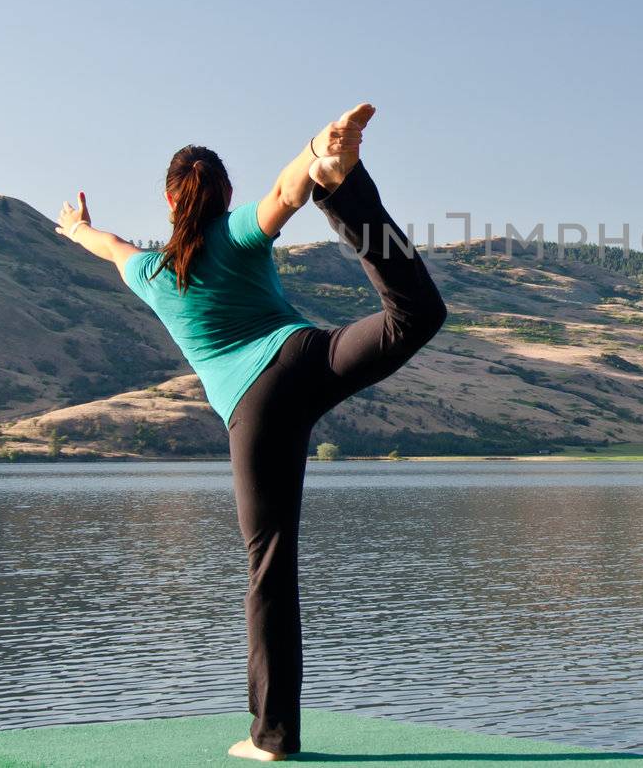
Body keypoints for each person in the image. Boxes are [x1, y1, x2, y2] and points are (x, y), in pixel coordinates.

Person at [54, 103, 447, 761]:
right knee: (417, 314)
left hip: (254, 409)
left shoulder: (150, 273)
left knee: (269, 570)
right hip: (306, 358)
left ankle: (271, 737)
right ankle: (349, 191)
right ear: (222, 194)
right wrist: (318, 164)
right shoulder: (236, 232)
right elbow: (283, 194)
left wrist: (75, 228)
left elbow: (110, 245)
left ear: (169, 200)